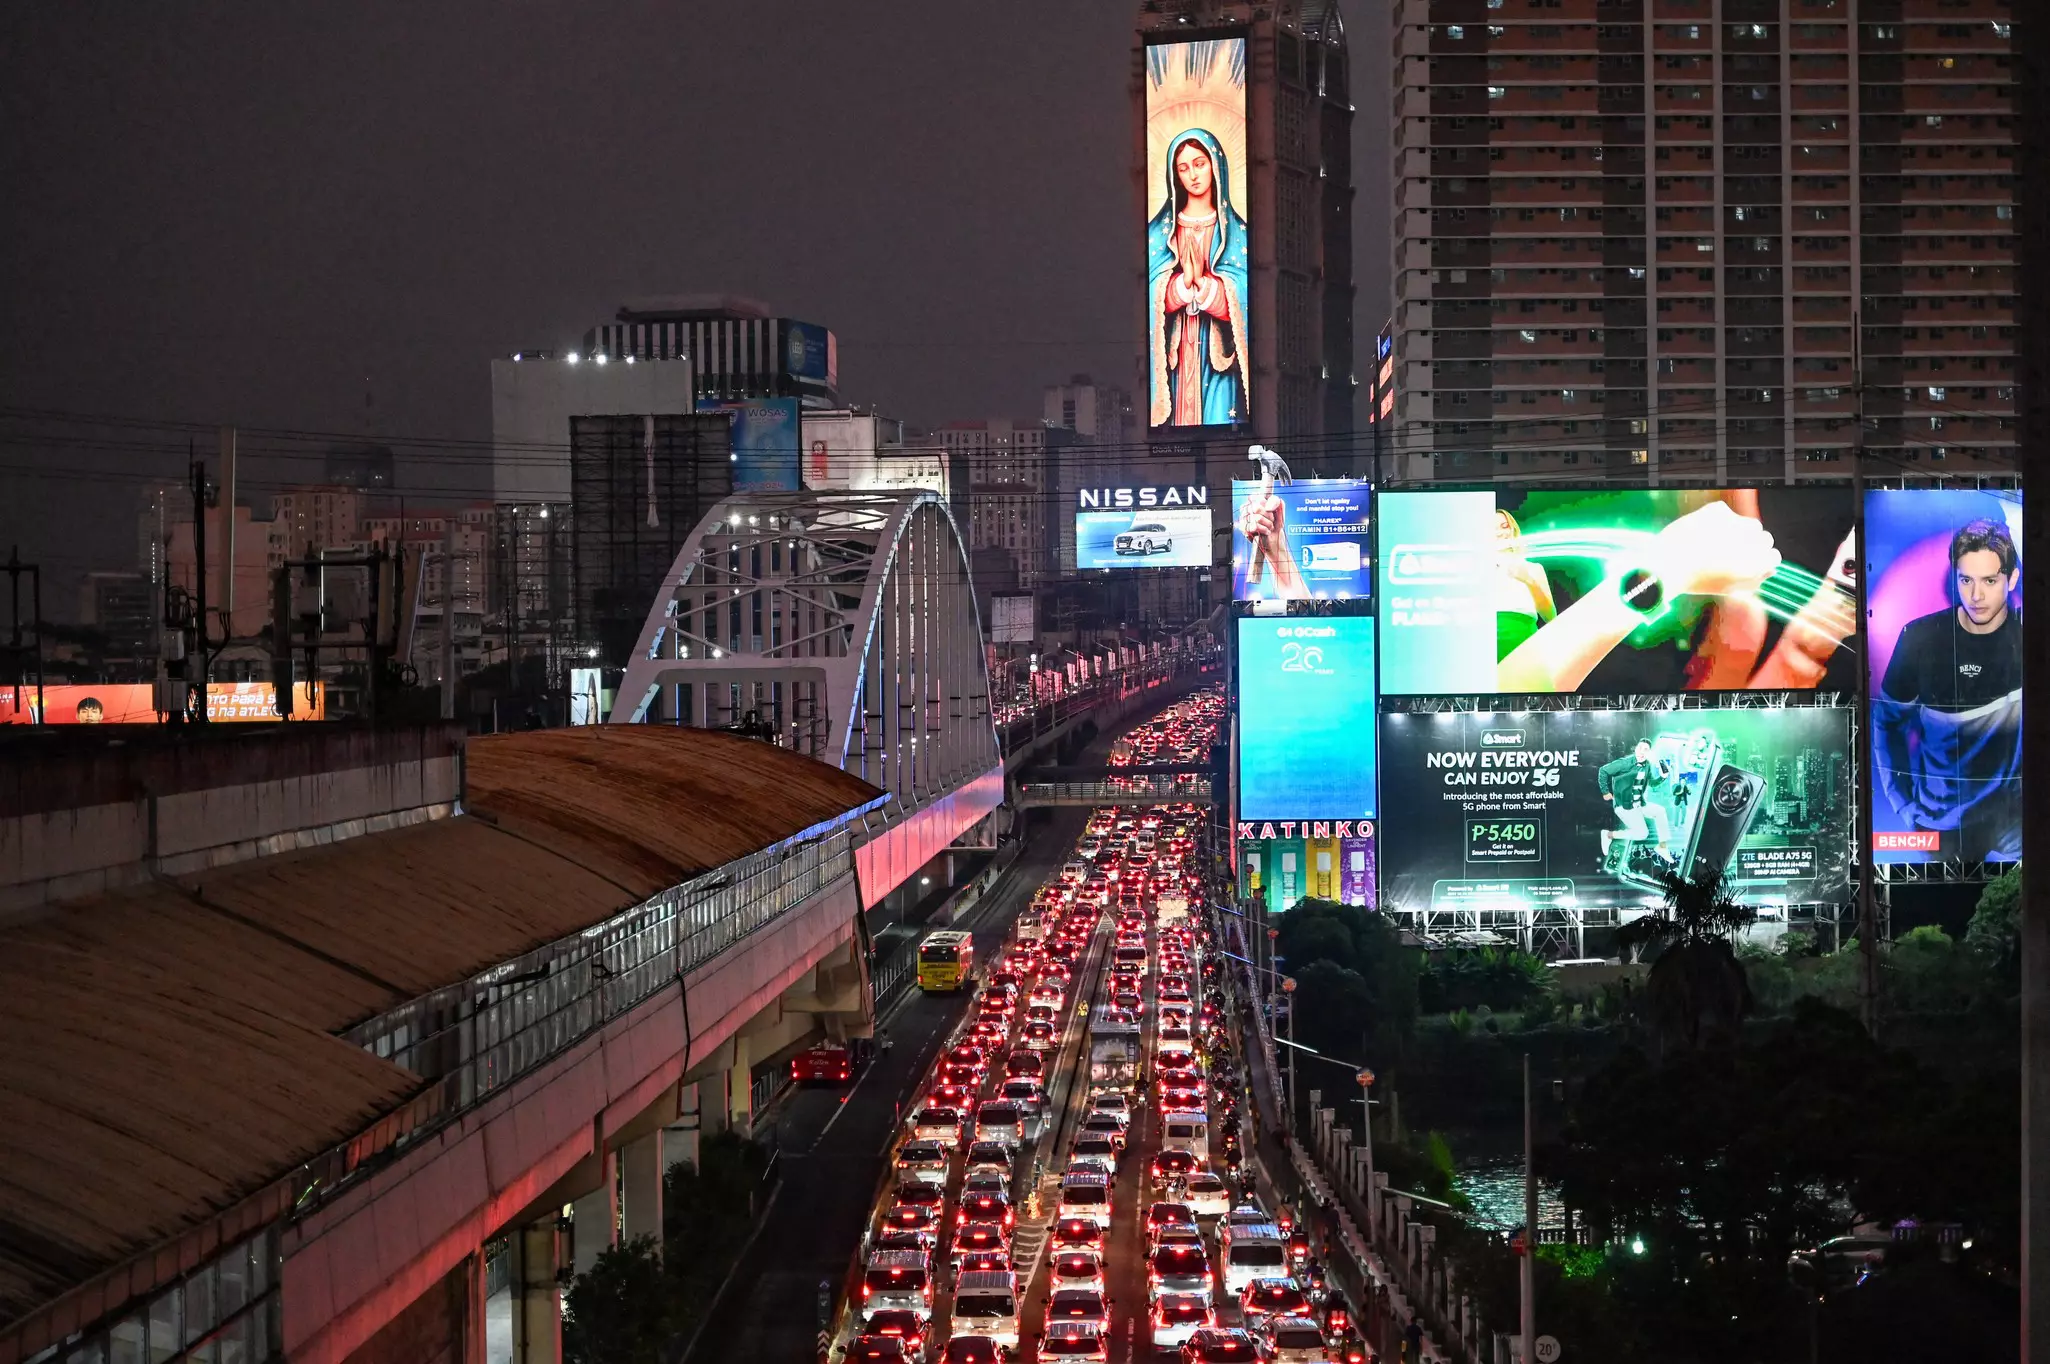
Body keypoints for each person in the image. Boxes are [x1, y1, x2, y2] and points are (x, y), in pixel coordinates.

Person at [1874, 516, 2024, 862]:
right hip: (1941, 821)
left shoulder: (2029, 639)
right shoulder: (1921, 639)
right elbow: (1886, 723)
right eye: (1966, 579)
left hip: (2013, 815)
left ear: (2012, 578)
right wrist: (1902, 804)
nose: (1976, 595)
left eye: (1989, 580)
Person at [1147, 129, 1251, 428]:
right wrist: (1178, 286)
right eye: (1183, 168)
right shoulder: (1160, 233)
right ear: (1174, 176)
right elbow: (1150, 288)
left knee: (1220, 420)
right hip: (1177, 360)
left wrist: (1207, 287)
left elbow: (1245, 290)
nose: (1193, 174)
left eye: (1199, 163)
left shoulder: (1236, 232)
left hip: (1219, 360)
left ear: (1215, 164)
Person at [1597, 738, 1674, 874]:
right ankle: (1608, 835)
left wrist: (1662, 777)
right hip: (1624, 806)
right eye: (1640, 748)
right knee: (1642, 834)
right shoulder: (1624, 763)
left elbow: (1652, 783)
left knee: (1660, 811)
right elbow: (1603, 771)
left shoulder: (1647, 766)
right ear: (1636, 749)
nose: (1642, 752)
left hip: (1639, 804)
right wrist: (1605, 792)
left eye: (1646, 750)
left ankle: (1662, 847)